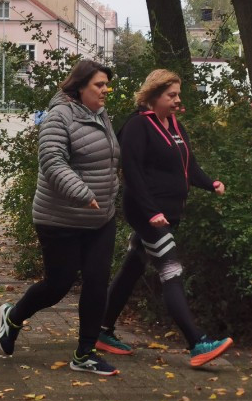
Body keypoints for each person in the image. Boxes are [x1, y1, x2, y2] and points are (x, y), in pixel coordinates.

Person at [98, 69, 233, 368]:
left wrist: (210, 183)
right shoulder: (137, 126)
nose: (177, 100)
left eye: (178, 95)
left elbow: (188, 167)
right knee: (172, 269)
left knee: (133, 267)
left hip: (168, 213)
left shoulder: (174, 124)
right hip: (147, 213)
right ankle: (197, 342)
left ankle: (101, 329)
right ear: (153, 96)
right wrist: (151, 212)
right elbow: (131, 174)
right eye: (171, 95)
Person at [0, 59, 122, 375]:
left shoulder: (101, 115)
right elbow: (53, 163)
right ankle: (13, 316)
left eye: (107, 85)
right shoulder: (58, 117)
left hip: (100, 218)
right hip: (60, 218)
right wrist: (83, 193)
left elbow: (108, 161)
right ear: (80, 87)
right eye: (99, 85)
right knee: (58, 285)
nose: (105, 90)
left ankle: (85, 353)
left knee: (97, 282)